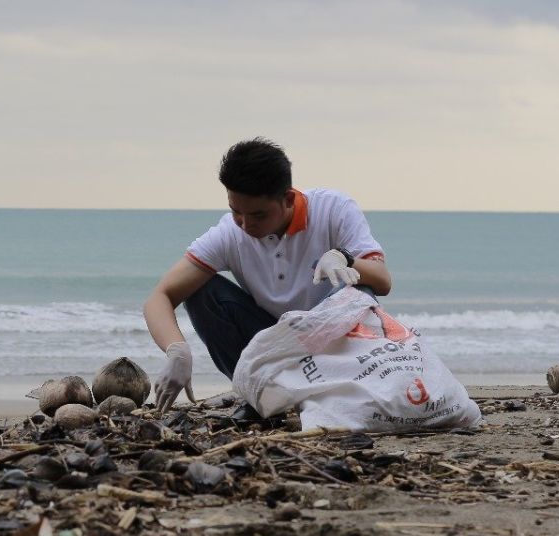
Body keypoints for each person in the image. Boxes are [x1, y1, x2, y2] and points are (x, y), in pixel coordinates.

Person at [143, 138, 392, 414]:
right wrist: (177, 351)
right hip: (274, 347)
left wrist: (345, 259)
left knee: (358, 289)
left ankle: (334, 395)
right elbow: (160, 296)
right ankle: (257, 395)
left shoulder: (334, 209)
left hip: (333, 349)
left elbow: (382, 281)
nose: (246, 225)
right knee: (201, 292)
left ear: (287, 198)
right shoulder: (230, 234)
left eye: (258, 215)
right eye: (236, 211)